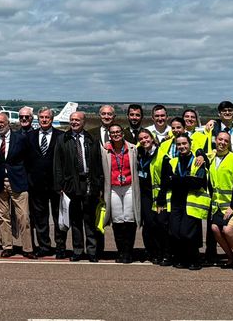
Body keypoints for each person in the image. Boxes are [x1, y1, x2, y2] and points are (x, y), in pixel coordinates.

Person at [53, 111, 104, 262]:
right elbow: (57, 165)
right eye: (72, 120)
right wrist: (59, 185)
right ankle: (77, 250)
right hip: (71, 185)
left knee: (90, 219)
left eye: (77, 120)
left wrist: (99, 184)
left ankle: (92, 251)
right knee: (75, 220)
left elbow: (98, 163)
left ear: (84, 122)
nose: (74, 122)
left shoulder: (91, 139)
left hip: (89, 183)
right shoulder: (63, 139)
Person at [157, 133, 208, 270]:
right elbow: (166, 181)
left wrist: (176, 180)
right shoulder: (172, 162)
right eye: (179, 144)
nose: (182, 146)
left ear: (190, 144)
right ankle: (181, 258)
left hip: (192, 201)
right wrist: (186, 179)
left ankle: (194, 259)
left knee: (188, 232)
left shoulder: (198, 161)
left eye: (184, 143)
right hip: (176, 202)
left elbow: (198, 183)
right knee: (175, 231)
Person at [0, 111, 30, 258]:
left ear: (8, 123)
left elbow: (28, 160)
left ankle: (28, 248)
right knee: (2, 216)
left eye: (2, 122)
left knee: (23, 217)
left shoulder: (20, 139)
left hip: (18, 181)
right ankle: (7, 246)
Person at [207, 130, 233, 270]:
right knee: (214, 229)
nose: (222, 143)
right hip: (218, 205)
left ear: (229, 144)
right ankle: (230, 256)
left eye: (226, 141)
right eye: (220, 139)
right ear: (215, 140)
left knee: (228, 231)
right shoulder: (211, 158)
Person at [101, 124, 140, 264]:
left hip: (129, 186)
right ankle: (121, 251)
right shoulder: (105, 150)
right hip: (113, 188)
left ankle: (128, 252)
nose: (116, 135)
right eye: (113, 133)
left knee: (129, 218)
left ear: (123, 133)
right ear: (109, 135)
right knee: (117, 219)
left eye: (118, 132)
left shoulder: (133, 149)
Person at [28, 106, 64, 258]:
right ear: (38, 118)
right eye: (41, 117)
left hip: (56, 185)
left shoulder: (61, 136)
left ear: (52, 119)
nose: (44, 120)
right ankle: (44, 246)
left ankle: (60, 247)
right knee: (40, 219)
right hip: (36, 185)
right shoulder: (30, 136)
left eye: (47, 117)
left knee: (58, 218)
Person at [134, 128, 165, 264]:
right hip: (145, 194)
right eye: (141, 139)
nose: (144, 140)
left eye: (146, 137)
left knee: (160, 225)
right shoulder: (139, 152)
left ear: (152, 138)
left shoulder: (160, 153)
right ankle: (151, 251)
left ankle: (161, 252)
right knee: (148, 225)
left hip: (158, 194)